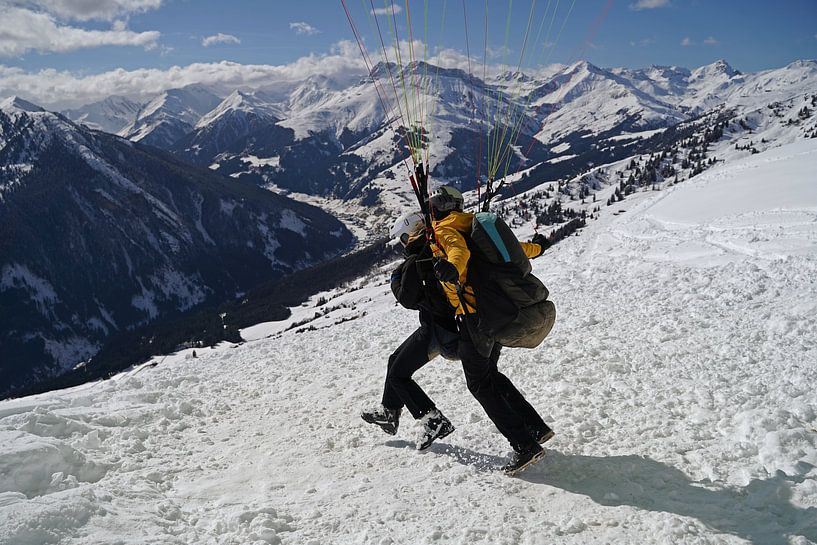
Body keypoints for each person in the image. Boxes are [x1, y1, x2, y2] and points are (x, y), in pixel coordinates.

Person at [427, 185, 554, 474]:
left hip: (473, 318)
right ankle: (535, 428)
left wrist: (451, 269)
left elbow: (458, 253)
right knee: (490, 376)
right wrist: (540, 247)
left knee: (480, 384)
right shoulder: (473, 224)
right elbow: (515, 250)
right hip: (494, 313)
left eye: (435, 203)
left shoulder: (444, 229)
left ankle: (524, 445)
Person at [361, 211, 460, 450]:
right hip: (443, 322)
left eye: (403, 238)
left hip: (438, 328)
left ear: (409, 234)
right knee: (395, 360)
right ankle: (389, 411)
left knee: (398, 375)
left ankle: (433, 420)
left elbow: (407, 298)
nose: (403, 244)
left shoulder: (417, 260)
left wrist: (396, 278)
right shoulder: (434, 247)